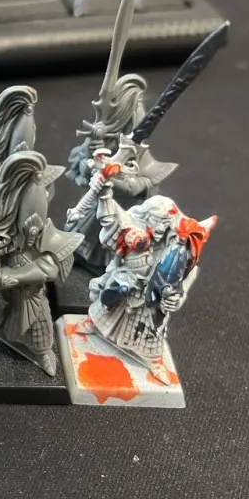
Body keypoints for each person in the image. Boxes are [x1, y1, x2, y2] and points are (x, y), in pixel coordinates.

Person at [70, 148, 216, 384]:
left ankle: (155, 361)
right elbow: (111, 218)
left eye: (164, 225)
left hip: (151, 298)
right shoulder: (134, 231)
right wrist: (104, 191)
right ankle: (93, 323)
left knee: (150, 333)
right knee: (106, 306)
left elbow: (185, 277)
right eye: (155, 222)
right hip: (124, 283)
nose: (158, 229)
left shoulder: (178, 250)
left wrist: (176, 299)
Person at [0, 151, 81, 375]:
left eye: (35, 228)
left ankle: (43, 352)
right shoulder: (6, 232)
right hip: (3, 292)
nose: (31, 234)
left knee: (39, 329)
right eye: (26, 227)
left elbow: (48, 269)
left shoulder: (48, 237)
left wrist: (12, 276)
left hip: (30, 294)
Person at [66, 74, 177, 272]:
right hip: (96, 203)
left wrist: (112, 179)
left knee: (114, 244)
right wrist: (91, 159)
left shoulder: (137, 150)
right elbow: (81, 169)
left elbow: (139, 184)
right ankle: (85, 258)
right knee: (87, 233)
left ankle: (108, 268)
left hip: (122, 209)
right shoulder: (102, 140)